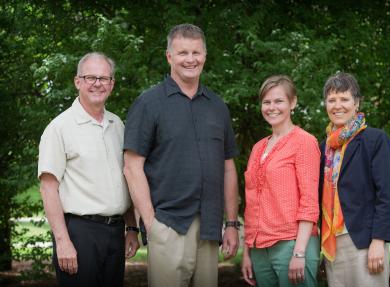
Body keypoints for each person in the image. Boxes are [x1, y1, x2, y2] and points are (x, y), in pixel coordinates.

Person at [123, 23, 240, 287]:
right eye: (183, 52)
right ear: (169, 57)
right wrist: (151, 224)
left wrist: (232, 223)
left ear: (205, 56)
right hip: (168, 224)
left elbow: (228, 168)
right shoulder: (148, 104)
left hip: (210, 226)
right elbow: (132, 168)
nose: (190, 59)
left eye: (196, 52)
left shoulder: (217, 106)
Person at [38, 52, 139, 287]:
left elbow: (125, 180)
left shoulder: (118, 125)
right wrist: (62, 241)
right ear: (78, 82)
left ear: (112, 84)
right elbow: (48, 188)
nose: (97, 83)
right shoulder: (59, 128)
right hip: (79, 233)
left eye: (104, 78)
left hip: (116, 233)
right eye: (90, 77)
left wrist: (132, 227)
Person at [319, 72, 390, 287]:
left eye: (344, 99)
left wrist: (378, 241)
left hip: (365, 241)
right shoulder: (323, 148)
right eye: (331, 100)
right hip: (332, 244)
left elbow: (386, 196)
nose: (337, 106)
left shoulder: (375, 140)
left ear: (356, 103)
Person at [241, 75, 321, 287]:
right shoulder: (258, 148)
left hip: (292, 244)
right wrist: (247, 251)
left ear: (292, 102)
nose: (271, 107)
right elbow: (251, 204)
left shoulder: (304, 142)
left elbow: (309, 202)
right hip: (259, 249)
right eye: (266, 102)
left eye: (278, 101)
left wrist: (300, 253)